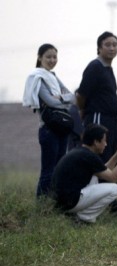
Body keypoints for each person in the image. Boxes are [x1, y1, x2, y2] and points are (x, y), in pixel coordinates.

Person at [22, 43, 75, 198]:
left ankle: (54, 203)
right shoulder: (37, 77)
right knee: (48, 170)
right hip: (48, 129)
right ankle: (42, 205)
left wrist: (62, 97)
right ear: (39, 58)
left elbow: (72, 96)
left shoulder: (53, 76)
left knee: (59, 169)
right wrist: (63, 99)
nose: (52, 60)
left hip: (62, 127)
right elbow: (51, 102)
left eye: (54, 57)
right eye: (48, 57)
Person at [51, 124, 117, 224]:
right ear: (96, 142)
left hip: (61, 203)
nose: (106, 144)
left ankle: (76, 215)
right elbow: (113, 178)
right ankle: (84, 218)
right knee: (114, 189)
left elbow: (103, 170)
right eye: (104, 141)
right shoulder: (88, 156)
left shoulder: (82, 152)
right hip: (69, 202)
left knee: (94, 177)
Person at [76, 31, 117, 164]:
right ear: (99, 48)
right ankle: (98, 185)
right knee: (99, 157)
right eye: (107, 45)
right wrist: (84, 113)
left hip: (111, 121)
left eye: (115, 45)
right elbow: (81, 95)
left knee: (112, 156)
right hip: (98, 118)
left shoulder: (108, 68)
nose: (112, 48)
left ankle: (109, 185)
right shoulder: (95, 67)